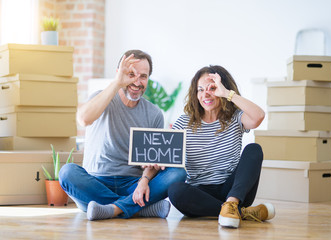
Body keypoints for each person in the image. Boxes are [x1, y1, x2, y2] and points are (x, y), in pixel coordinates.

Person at [59, 50, 186, 221]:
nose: (137, 81)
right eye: (131, 74)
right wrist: (117, 83)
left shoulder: (154, 113)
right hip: (96, 182)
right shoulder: (101, 98)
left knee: (178, 173)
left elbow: (153, 160)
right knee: (67, 172)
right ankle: (136, 209)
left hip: (133, 185)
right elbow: (83, 119)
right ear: (119, 74)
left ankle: (111, 209)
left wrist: (144, 180)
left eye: (143, 76)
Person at [168, 65, 275, 228]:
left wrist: (226, 93)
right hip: (200, 193)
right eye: (200, 89)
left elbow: (258, 116)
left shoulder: (235, 118)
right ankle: (241, 213)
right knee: (175, 190)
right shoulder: (183, 123)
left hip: (234, 191)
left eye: (212, 88)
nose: (205, 94)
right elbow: (169, 159)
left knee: (254, 149)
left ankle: (232, 205)